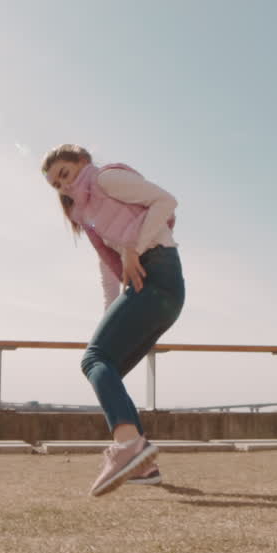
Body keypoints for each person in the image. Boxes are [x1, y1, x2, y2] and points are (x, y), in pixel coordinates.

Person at [42, 144, 185, 497]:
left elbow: (166, 201)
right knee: (107, 368)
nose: (64, 185)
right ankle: (143, 465)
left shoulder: (106, 179)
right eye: (56, 184)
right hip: (150, 286)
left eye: (65, 173)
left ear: (82, 162)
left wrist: (134, 246)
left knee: (94, 360)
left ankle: (128, 447)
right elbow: (110, 271)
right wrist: (110, 317)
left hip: (158, 273)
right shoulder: (87, 215)